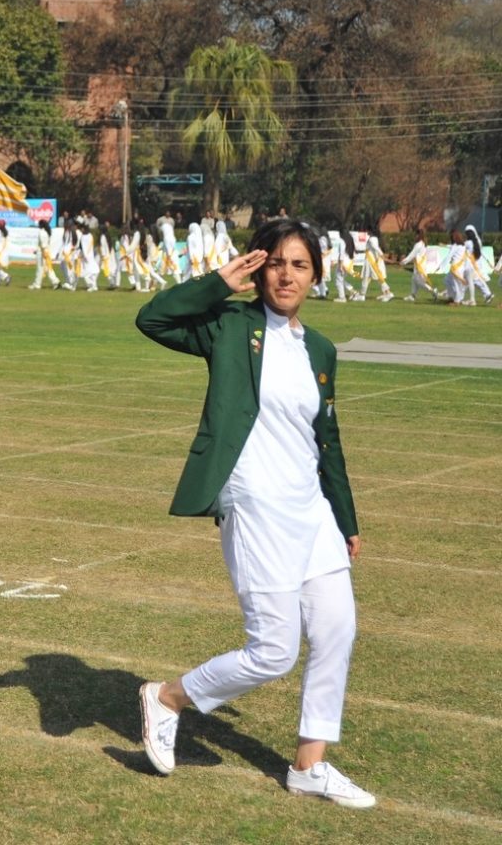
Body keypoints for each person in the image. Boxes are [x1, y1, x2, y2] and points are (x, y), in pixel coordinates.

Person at [134, 218, 374, 808]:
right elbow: (154, 319)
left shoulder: (320, 349)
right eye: (276, 263)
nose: (286, 275)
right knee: (273, 650)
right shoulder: (230, 325)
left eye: (299, 265)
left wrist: (345, 519)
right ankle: (168, 697)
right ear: (258, 267)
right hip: (255, 503)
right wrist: (220, 280)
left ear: (315, 274)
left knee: (337, 629)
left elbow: (328, 440)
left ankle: (309, 766)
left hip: (310, 509)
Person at [400, 229, 440, 303]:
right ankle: (412, 295)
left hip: (420, 267)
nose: (415, 237)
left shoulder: (418, 245)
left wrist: (403, 262)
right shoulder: (422, 244)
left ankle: (433, 291)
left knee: (420, 282)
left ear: (419, 235)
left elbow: (412, 255)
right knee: (414, 280)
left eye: (416, 235)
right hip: (419, 265)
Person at [462, 225, 494, 305]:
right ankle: (487, 294)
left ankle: (486, 295)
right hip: (476, 263)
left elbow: (460, 247)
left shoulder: (468, 243)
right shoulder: (477, 241)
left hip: (472, 264)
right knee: (475, 280)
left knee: (474, 280)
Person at [358, 234, 393, 302]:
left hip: (370, 261)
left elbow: (375, 247)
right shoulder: (374, 238)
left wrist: (381, 254)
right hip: (370, 260)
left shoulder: (372, 239)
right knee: (369, 278)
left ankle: (388, 292)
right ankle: (362, 294)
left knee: (369, 277)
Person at [29, 219, 60, 290]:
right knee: (47, 268)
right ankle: (55, 282)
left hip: (43, 253)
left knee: (40, 268)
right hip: (45, 251)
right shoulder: (46, 232)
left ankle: (37, 284)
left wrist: (42, 252)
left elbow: (43, 245)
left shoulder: (42, 232)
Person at [443, 230, 467, 305]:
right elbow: (451, 247)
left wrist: (441, 266)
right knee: (446, 280)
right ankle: (452, 297)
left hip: (456, 268)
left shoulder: (456, 246)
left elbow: (449, 256)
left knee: (456, 284)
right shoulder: (462, 246)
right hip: (459, 268)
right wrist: (444, 245)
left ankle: (456, 301)